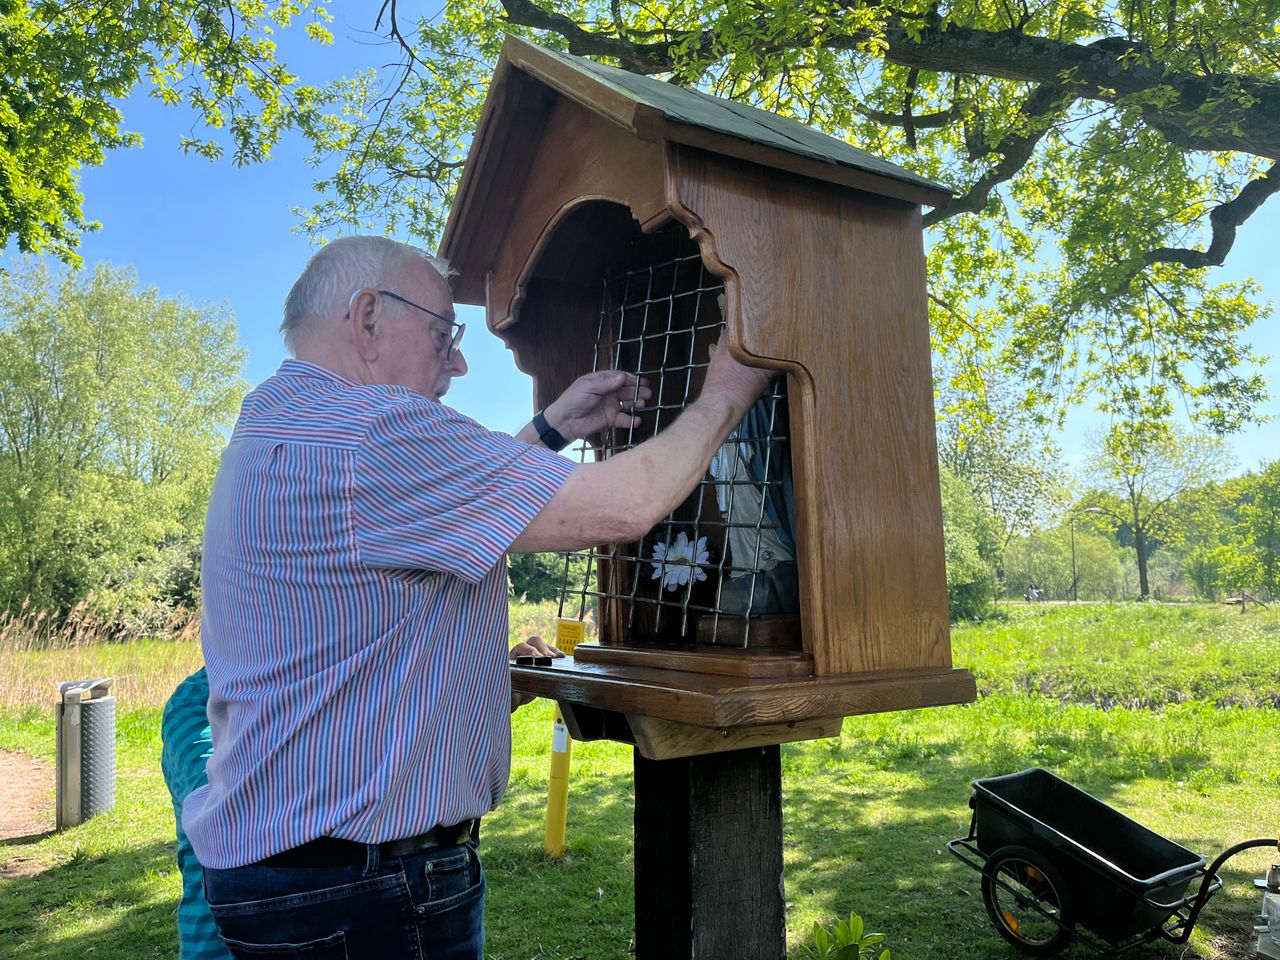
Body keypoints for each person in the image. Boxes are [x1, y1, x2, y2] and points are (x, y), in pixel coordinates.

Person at [181, 235, 773, 959]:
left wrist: (552, 429)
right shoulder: (372, 432)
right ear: (368, 318)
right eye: (441, 335)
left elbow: (412, 516)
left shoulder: (282, 424)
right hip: (370, 891)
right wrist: (725, 393)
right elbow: (626, 507)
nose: (457, 362)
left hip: (296, 878)